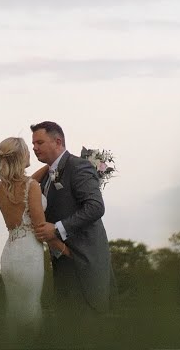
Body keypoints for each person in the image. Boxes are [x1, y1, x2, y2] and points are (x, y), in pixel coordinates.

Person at [29, 121, 114, 314]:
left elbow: (95, 207)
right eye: (33, 144)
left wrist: (57, 229)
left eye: (39, 143)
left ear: (57, 141)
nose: (34, 147)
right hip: (62, 263)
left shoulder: (79, 166)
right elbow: (27, 185)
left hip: (85, 262)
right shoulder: (46, 176)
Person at [0, 136, 67, 335]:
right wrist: (66, 250)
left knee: (15, 311)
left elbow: (28, 182)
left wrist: (50, 165)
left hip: (9, 255)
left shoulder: (1, 188)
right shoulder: (31, 187)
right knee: (30, 311)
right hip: (28, 256)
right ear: (20, 157)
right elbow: (41, 229)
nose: (30, 153)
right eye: (27, 150)